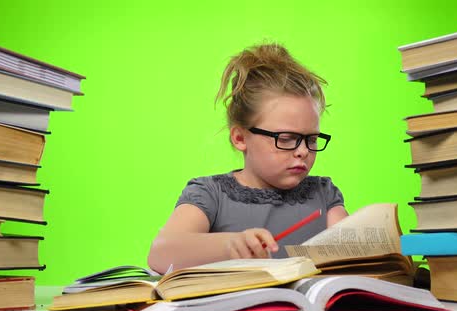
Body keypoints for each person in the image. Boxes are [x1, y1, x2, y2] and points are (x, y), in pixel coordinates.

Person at [148, 43, 348, 274]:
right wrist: (230, 244)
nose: (303, 151)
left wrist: (397, 244)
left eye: (311, 139)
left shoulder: (323, 194)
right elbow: (161, 252)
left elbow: (359, 255)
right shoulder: (211, 193)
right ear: (240, 138)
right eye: (285, 138)